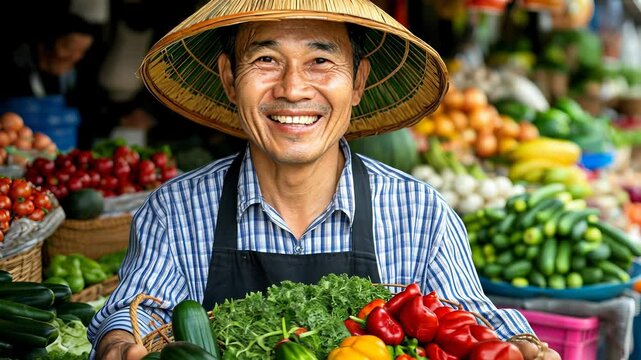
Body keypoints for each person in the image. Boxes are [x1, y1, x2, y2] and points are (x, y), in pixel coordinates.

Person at [89, 1, 560, 359]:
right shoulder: (174, 210)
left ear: (357, 83)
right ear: (230, 80)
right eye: (266, 60)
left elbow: (471, 318)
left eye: (320, 61)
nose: (293, 89)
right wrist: (118, 342)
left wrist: (522, 343)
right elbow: (136, 310)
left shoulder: (421, 212)